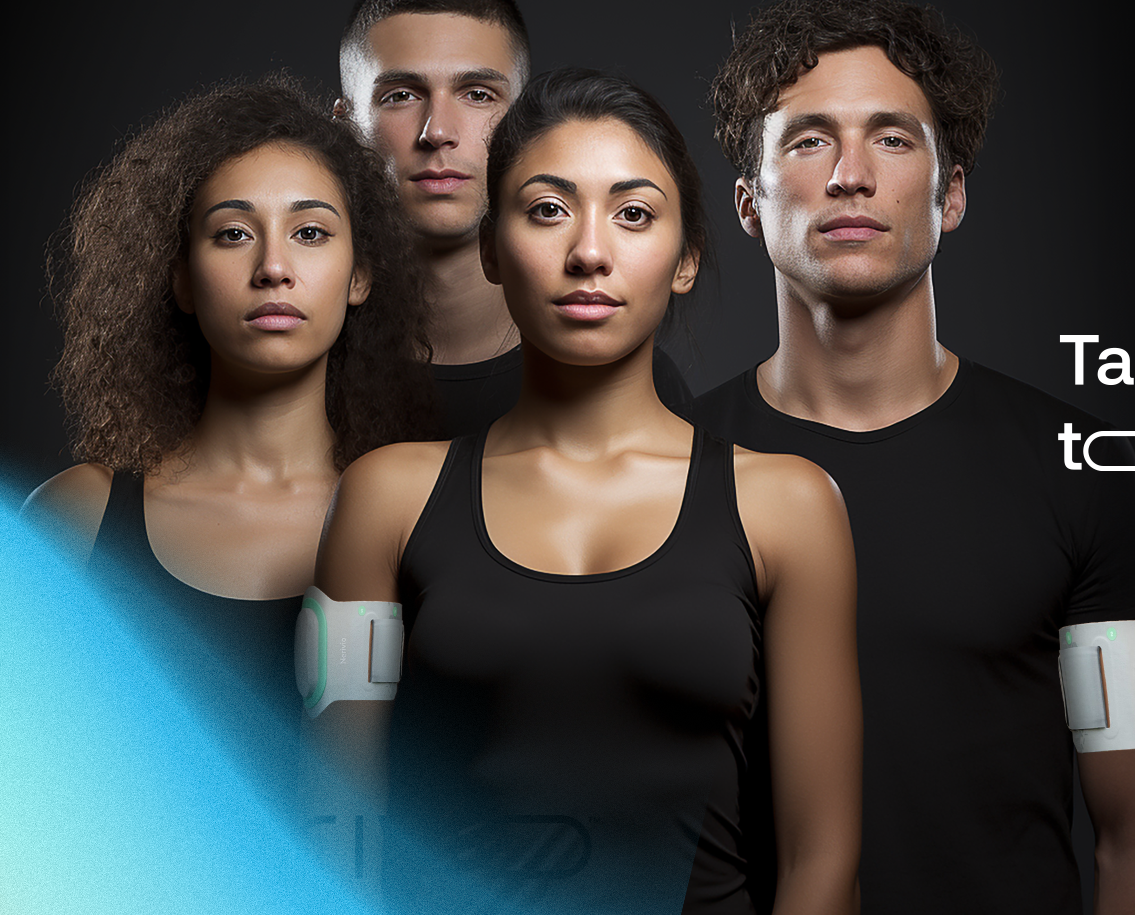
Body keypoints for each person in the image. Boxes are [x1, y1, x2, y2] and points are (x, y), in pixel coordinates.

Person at [695, 0, 1135, 914]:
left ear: (951, 192)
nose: (850, 174)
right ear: (748, 204)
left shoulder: (1079, 468)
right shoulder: (667, 466)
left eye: (892, 138)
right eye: (808, 139)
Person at [307, 69, 860, 914]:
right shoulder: (385, 500)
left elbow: (822, 858)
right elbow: (332, 823)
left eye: (633, 214)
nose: (590, 252)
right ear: (492, 248)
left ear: (687, 260)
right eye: (547, 209)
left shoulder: (788, 506)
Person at [24, 75, 434, 796]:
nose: (273, 268)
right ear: (180, 278)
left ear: (360, 275)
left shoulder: (420, 522)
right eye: (233, 233)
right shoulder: (76, 519)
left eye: (310, 233)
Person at [337, 0, 694, 433]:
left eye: (478, 94)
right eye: (400, 95)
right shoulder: (294, 365)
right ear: (343, 125)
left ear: (527, 120)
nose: (438, 131)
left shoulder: (637, 382)